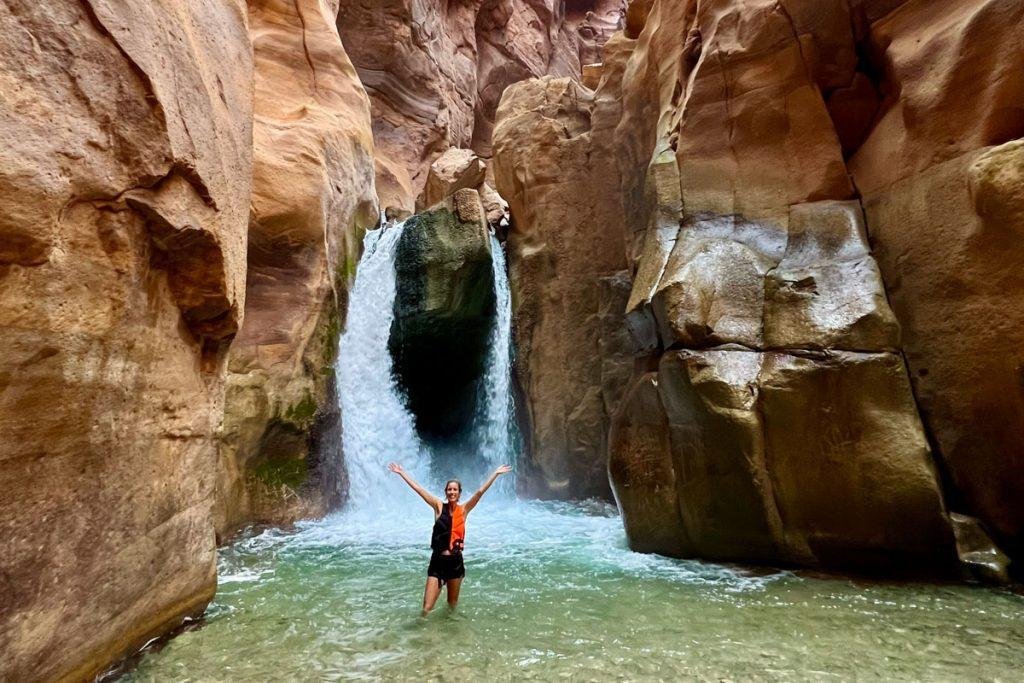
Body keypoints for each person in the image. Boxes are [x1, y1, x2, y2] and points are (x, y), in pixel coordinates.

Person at [387, 462, 512, 615]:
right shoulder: (439, 506)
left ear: (459, 493)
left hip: (455, 563)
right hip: (438, 562)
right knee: (426, 609)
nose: (452, 492)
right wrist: (402, 473)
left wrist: (496, 473)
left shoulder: (464, 510)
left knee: (451, 606)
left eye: (455, 490)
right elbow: (419, 489)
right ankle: (422, 635)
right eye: (449, 489)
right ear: (446, 492)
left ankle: (449, 636)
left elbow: (479, 492)